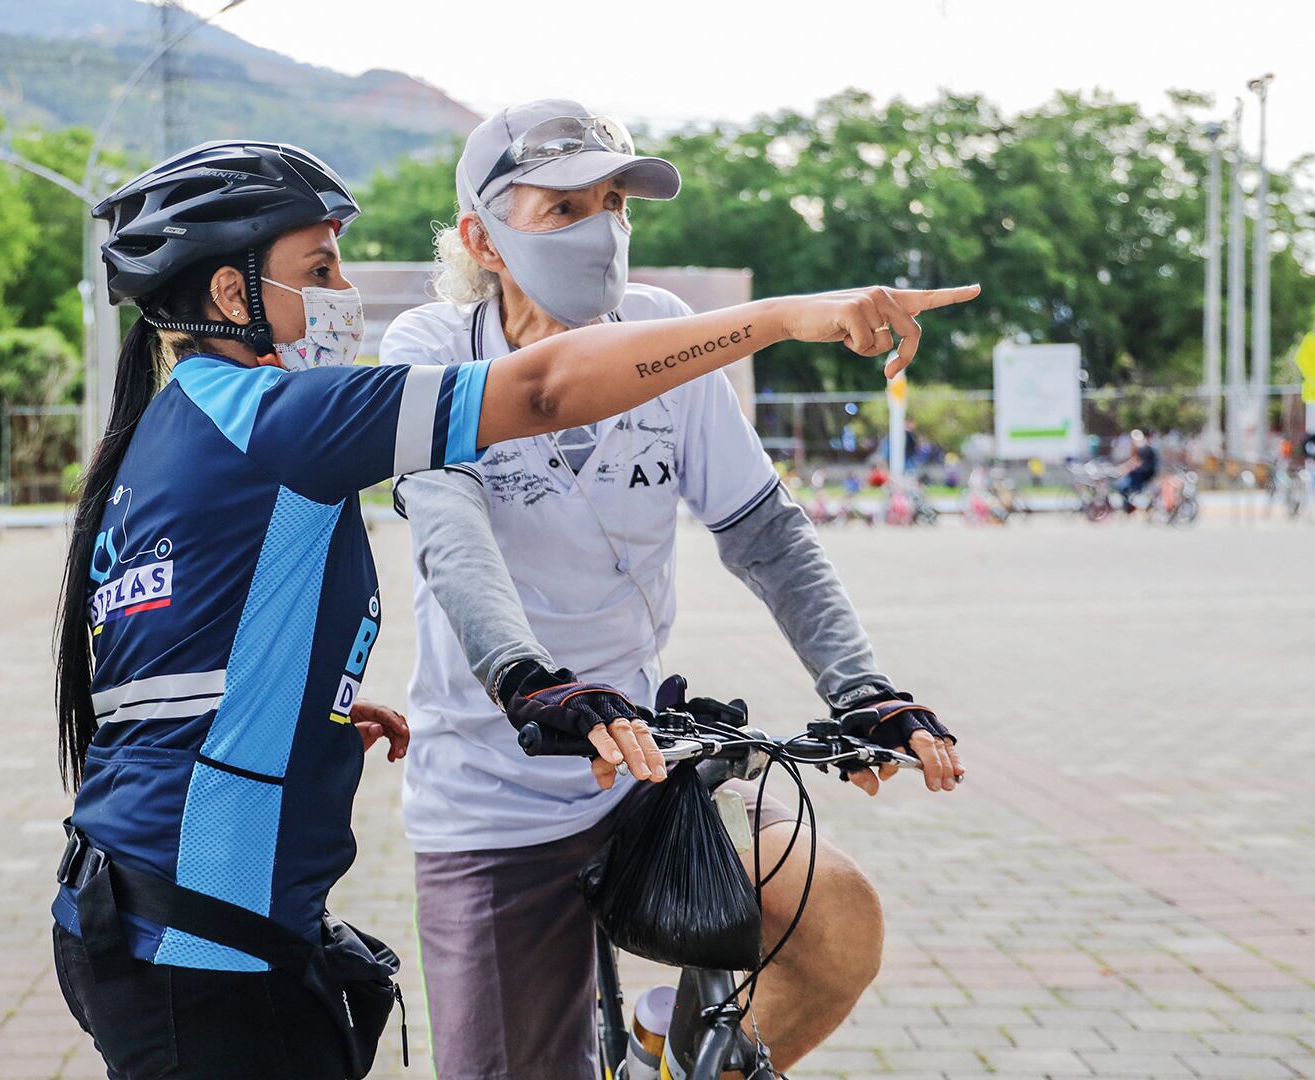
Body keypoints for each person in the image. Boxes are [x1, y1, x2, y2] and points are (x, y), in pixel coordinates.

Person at [48, 137, 978, 1080]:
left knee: (832, 916)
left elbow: (155, 656)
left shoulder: (185, 424)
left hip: (183, 896)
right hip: (207, 922)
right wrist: (785, 316)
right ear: (226, 295)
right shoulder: (278, 416)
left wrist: (310, 707)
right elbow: (537, 398)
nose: (342, 291)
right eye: (319, 268)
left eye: (616, 202)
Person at [382, 100, 964, 1080]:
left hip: (647, 769)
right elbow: (447, 525)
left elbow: (764, 531)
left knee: (837, 926)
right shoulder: (431, 345)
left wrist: (861, 687)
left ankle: (677, 1058)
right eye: (564, 207)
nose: (603, 227)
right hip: (495, 791)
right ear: (482, 237)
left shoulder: (667, 336)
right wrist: (527, 677)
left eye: (615, 201)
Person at [1112, 428, 1159, 512]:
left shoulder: (1145, 449)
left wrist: (1124, 469)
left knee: (1121, 487)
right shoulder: (1149, 449)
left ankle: (1129, 509)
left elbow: (1136, 462)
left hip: (1140, 476)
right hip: (1144, 475)